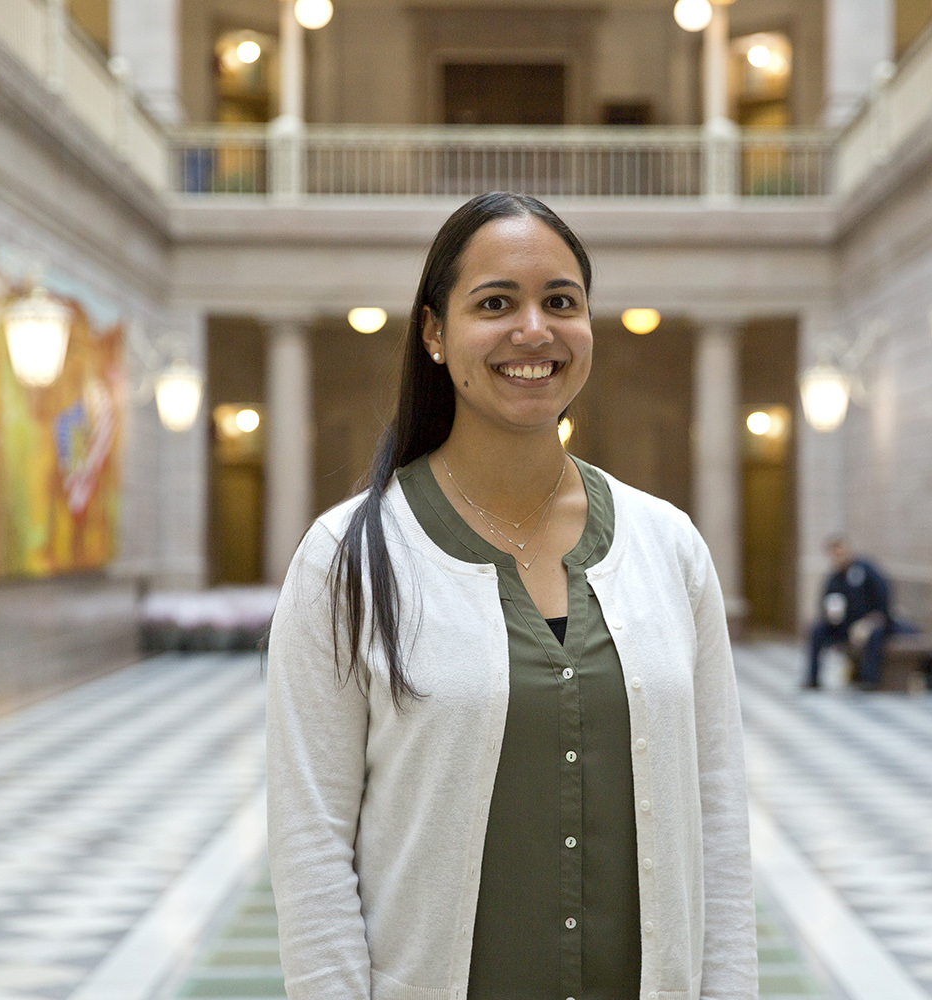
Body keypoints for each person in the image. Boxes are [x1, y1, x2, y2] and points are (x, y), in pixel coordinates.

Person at [266, 192, 757, 1000]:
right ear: (433, 332)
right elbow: (312, 845)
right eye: (496, 303)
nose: (535, 330)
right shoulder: (346, 561)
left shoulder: (668, 547)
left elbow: (719, 825)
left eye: (560, 302)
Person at [805, 535, 896, 690]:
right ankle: (812, 678)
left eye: (841, 552)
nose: (839, 557)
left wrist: (870, 620)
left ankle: (869, 679)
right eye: (835, 554)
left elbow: (883, 596)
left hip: (869, 622)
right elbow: (824, 603)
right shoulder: (833, 578)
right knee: (816, 630)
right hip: (843, 625)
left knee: (874, 633)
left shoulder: (866, 570)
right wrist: (829, 615)